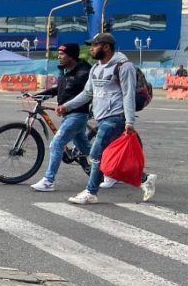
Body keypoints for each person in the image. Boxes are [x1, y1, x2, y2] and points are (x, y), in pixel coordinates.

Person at [57, 32, 155, 204]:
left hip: (116, 117)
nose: (91, 49)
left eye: (94, 46)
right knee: (111, 158)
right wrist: (67, 106)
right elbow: (88, 93)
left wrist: (129, 121)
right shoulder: (96, 68)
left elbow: (128, 94)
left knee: (95, 153)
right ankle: (145, 179)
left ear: (106, 47)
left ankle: (90, 192)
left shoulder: (124, 66)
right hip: (102, 118)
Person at [29, 43, 92, 192]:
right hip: (68, 115)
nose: (59, 57)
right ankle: (110, 168)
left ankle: (48, 181)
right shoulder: (67, 72)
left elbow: (87, 94)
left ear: (71, 56)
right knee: (87, 149)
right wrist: (38, 95)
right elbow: (59, 89)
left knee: (56, 144)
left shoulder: (83, 74)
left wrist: (66, 106)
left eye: (62, 54)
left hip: (77, 115)